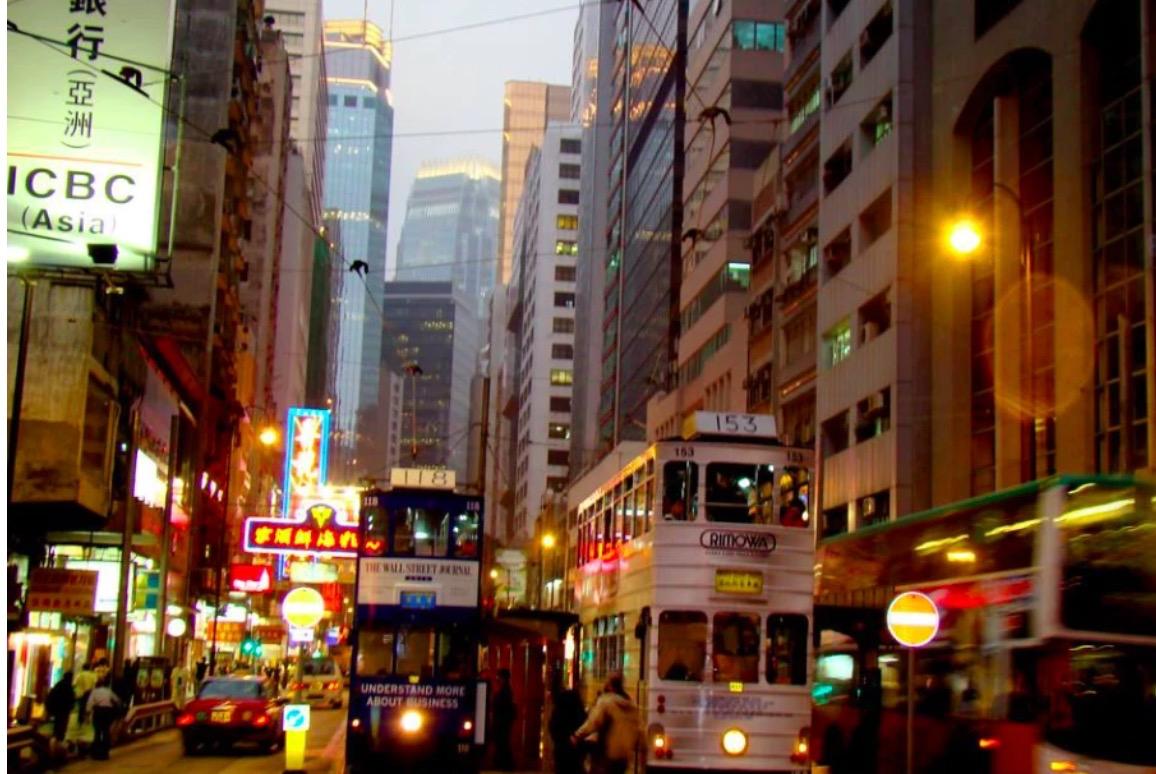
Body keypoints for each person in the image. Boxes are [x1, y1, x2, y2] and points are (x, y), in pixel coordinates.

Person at [572, 673, 640, 774]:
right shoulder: (631, 706)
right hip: (624, 756)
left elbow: (593, 722)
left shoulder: (606, 702)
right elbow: (639, 729)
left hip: (606, 753)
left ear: (610, 686)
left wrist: (577, 735)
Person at [548, 688, 587, 774]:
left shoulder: (558, 713)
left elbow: (553, 729)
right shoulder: (579, 713)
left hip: (561, 750)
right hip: (576, 751)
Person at [87, 676, 122, 760]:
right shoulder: (108, 691)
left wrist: (87, 713)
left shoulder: (94, 692)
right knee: (106, 731)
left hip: (98, 711)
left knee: (97, 732)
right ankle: (105, 752)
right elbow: (117, 700)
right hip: (107, 712)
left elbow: (90, 704)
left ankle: (96, 753)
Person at [491, 669, 517, 770]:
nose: (497, 679)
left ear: (503, 678)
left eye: (499, 677)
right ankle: (505, 764)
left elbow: (500, 706)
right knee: (503, 744)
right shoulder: (507, 691)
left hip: (501, 723)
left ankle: (505, 765)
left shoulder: (505, 692)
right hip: (503, 722)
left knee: (502, 744)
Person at [46, 671, 75, 743]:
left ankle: (55, 736)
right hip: (65, 709)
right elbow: (71, 698)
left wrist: (50, 707)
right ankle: (60, 738)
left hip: (57, 707)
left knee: (57, 722)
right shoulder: (69, 687)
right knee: (63, 723)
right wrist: (71, 706)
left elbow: (52, 695)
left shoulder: (59, 684)